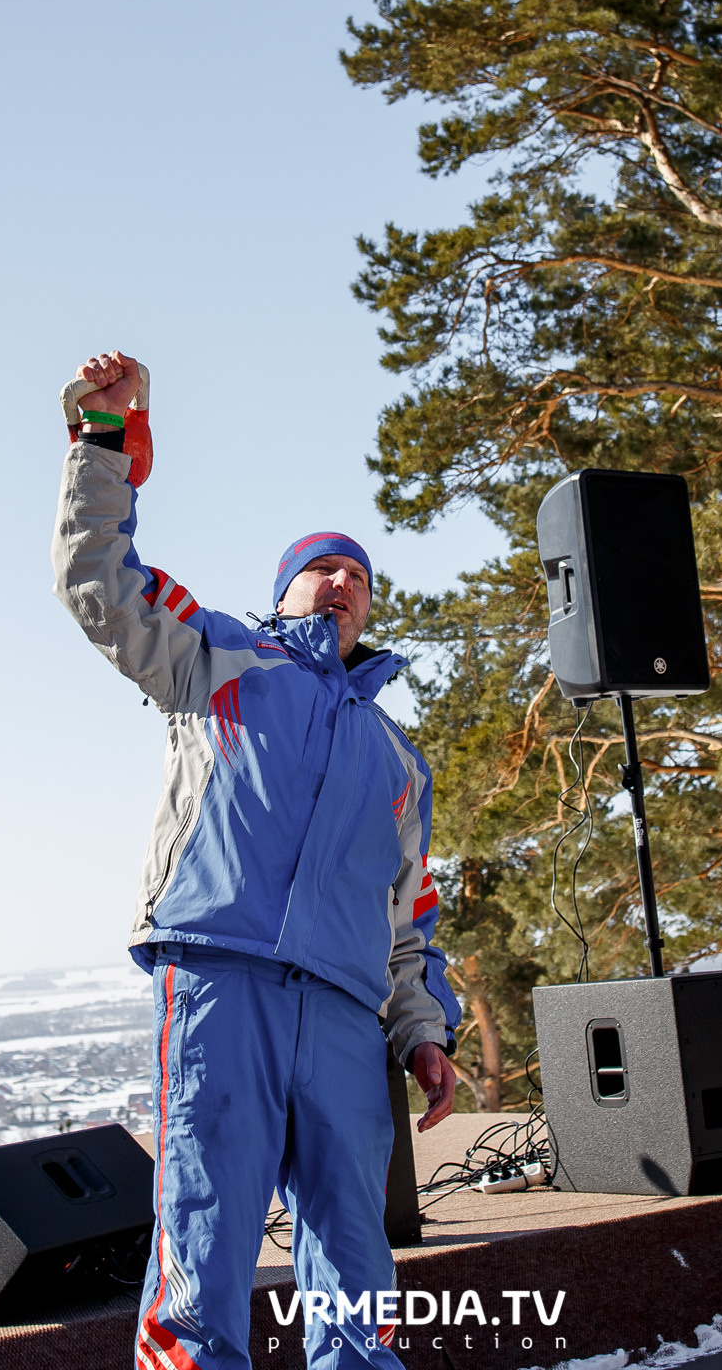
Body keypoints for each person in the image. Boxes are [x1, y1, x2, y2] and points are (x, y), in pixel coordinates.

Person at [52, 351, 459, 1370]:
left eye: (360, 576)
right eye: (325, 567)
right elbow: (99, 582)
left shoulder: (399, 759)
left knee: (356, 1249)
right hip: (221, 977)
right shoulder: (221, 655)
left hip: (344, 1011)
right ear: (287, 589)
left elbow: (409, 920)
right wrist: (103, 442)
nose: (344, 582)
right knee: (206, 1226)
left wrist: (422, 1030)